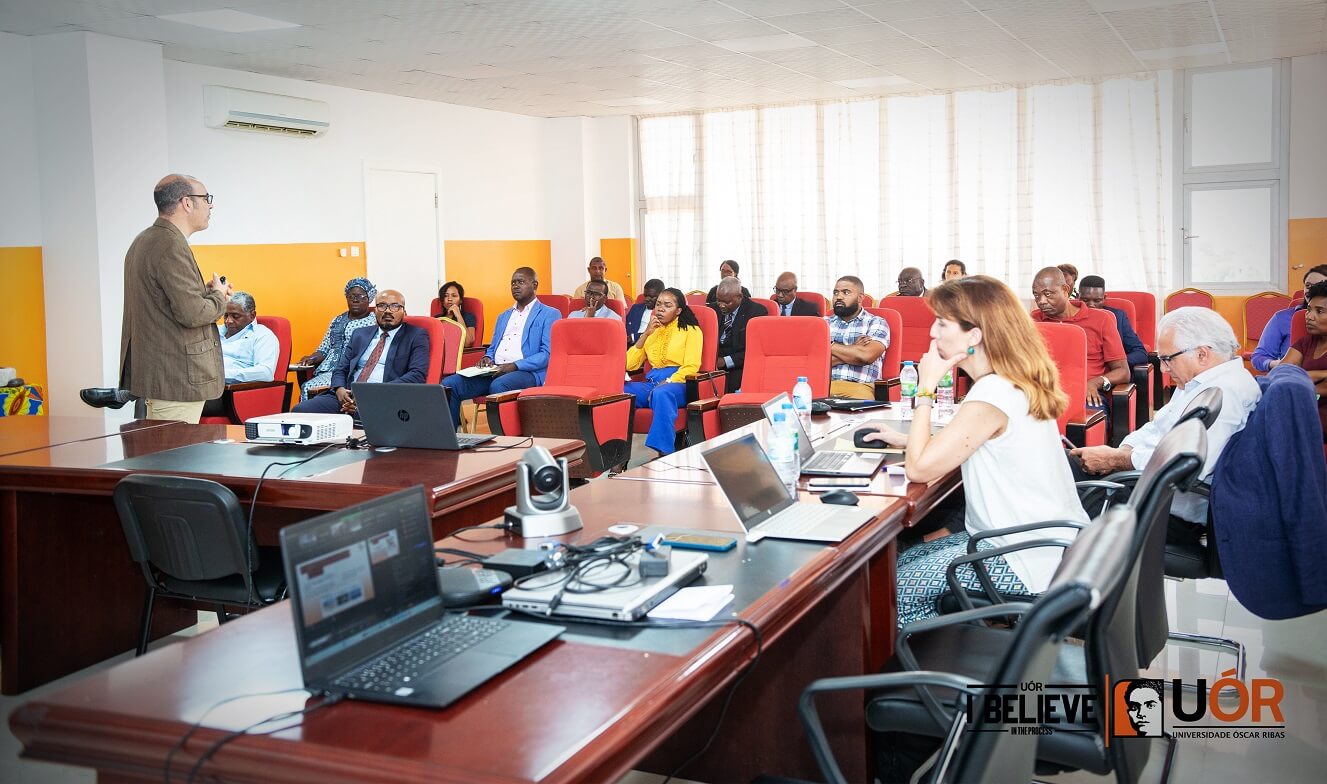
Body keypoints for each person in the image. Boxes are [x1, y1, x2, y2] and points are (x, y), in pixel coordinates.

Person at [858, 275, 1089, 625]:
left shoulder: (992, 393)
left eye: (942, 323)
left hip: (1022, 557)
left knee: (897, 589)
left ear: (974, 336)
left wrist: (926, 387)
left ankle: (925, 674)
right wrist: (908, 440)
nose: (933, 333)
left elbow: (919, 470)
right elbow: (975, 441)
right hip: (1042, 542)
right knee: (901, 562)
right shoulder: (1007, 382)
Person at [1071, 307, 1261, 541]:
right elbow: (1155, 427)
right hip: (1148, 487)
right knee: (1064, 464)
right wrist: (1123, 452)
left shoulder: (1225, 394)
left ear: (1202, 354)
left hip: (1164, 511)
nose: (1162, 369)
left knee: (1057, 486)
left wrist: (1115, 460)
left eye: (1167, 359)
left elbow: (1185, 466)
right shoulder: (1199, 383)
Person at [82, 174, 232, 421]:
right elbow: (192, 314)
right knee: (177, 458)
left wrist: (205, 294)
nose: (210, 204)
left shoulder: (145, 240)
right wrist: (218, 296)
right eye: (206, 198)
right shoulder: (171, 245)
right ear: (187, 202)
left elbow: (164, 304)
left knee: (164, 456)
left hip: (160, 374)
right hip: (176, 379)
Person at [442, 267, 559, 427]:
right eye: (513, 283)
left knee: (498, 385)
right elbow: (492, 347)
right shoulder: (503, 316)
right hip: (495, 369)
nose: (516, 286)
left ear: (534, 285)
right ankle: (450, 441)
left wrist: (514, 365)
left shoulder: (549, 313)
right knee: (450, 384)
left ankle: (502, 440)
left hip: (527, 372)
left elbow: (546, 354)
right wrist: (487, 357)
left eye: (521, 282)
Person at [291, 290, 430, 416]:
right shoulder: (360, 334)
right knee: (300, 411)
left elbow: (417, 375)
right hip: (348, 394)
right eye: (381, 305)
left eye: (394, 306)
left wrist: (371, 393)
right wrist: (340, 390)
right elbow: (341, 369)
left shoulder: (416, 335)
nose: (388, 311)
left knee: (365, 417)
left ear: (404, 311)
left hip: (384, 397)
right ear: (375, 310)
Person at [1031, 266, 1128, 417]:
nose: (1041, 301)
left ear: (1065, 289)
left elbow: (1123, 371)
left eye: (1048, 294)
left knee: (1086, 418)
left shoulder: (1101, 319)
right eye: (1036, 296)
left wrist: (1094, 383)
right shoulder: (1033, 321)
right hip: (1044, 393)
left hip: (1085, 393)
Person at [625, 288, 702, 457]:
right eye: (658, 304)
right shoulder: (653, 331)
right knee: (621, 391)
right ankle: (618, 452)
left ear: (678, 310)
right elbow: (629, 364)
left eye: (667, 305)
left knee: (662, 393)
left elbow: (692, 366)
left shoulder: (691, 331)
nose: (660, 309)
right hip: (653, 381)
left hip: (679, 382)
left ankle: (665, 454)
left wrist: (668, 381)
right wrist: (646, 334)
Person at [198, 292, 279, 418]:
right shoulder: (215, 331)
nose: (228, 321)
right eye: (226, 315)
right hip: (202, 385)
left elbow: (266, 372)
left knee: (183, 403)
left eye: (236, 316)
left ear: (252, 315)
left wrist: (221, 375)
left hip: (229, 395)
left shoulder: (262, 336)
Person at [297, 278, 378, 401]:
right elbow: (324, 348)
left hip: (352, 371)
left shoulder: (374, 322)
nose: (355, 300)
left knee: (311, 386)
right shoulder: (337, 320)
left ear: (369, 298)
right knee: (307, 387)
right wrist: (311, 358)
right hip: (328, 371)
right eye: (351, 296)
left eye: (360, 296)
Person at [1252, 265, 1327, 372]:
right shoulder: (1301, 341)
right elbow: (1262, 358)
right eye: (1308, 285)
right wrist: (1277, 364)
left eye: (1321, 285)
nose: (1312, 290)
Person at [826, 276, 890, 399]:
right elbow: (816, 362)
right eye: (836, 292)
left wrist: (830, 345)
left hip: (859, 388)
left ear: (860, 298)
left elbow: (865, 356)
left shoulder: (876, 322)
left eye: (846, 292)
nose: (839, 297)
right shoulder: (824, 324)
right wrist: (854, 349)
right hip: (824, 386)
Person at [1278, 280, 1327, 438]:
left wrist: (1298, 382)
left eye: (1319, 311)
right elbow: (1279, 376)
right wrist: (1321, 374)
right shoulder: (1304, 343)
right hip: (1299, 414)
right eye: (1309, 309)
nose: (1309, 317)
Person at [709, 276, 767, 391]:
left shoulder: (756, 312)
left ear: (739, 297)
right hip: (712, 363)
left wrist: (725, 361)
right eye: (718, 300)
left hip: (739, 365)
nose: (721, 305)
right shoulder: (713, 309)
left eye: (726, 302)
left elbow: (755, 350)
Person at [1078, 274, 1148, 367]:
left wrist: (1117, 364)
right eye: (1085, 300)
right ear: (1078, 297)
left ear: (1104, 298)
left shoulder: (1118, 317)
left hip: (1112, 375)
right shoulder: (1070, 317)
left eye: (1097, 300)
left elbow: (1140, 353)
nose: (1091, 305)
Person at [437, 280, 477, 347]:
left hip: (457, 354)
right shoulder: (436, 319)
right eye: (445, 296)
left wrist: (458, 315)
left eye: (454, 296)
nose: (449, 299)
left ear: (461, 300)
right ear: (442, 300)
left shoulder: (468, 316)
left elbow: (468, 343)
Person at [625, 278, 664, 345]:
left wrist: (633, 337)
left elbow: (657, 334)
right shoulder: (635, 308)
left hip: (652, 346)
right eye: (645, 296)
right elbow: (625, 328)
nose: (646, 299)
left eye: (651, 297)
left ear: (662, 295)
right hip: (630, 346)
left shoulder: (664, 313)